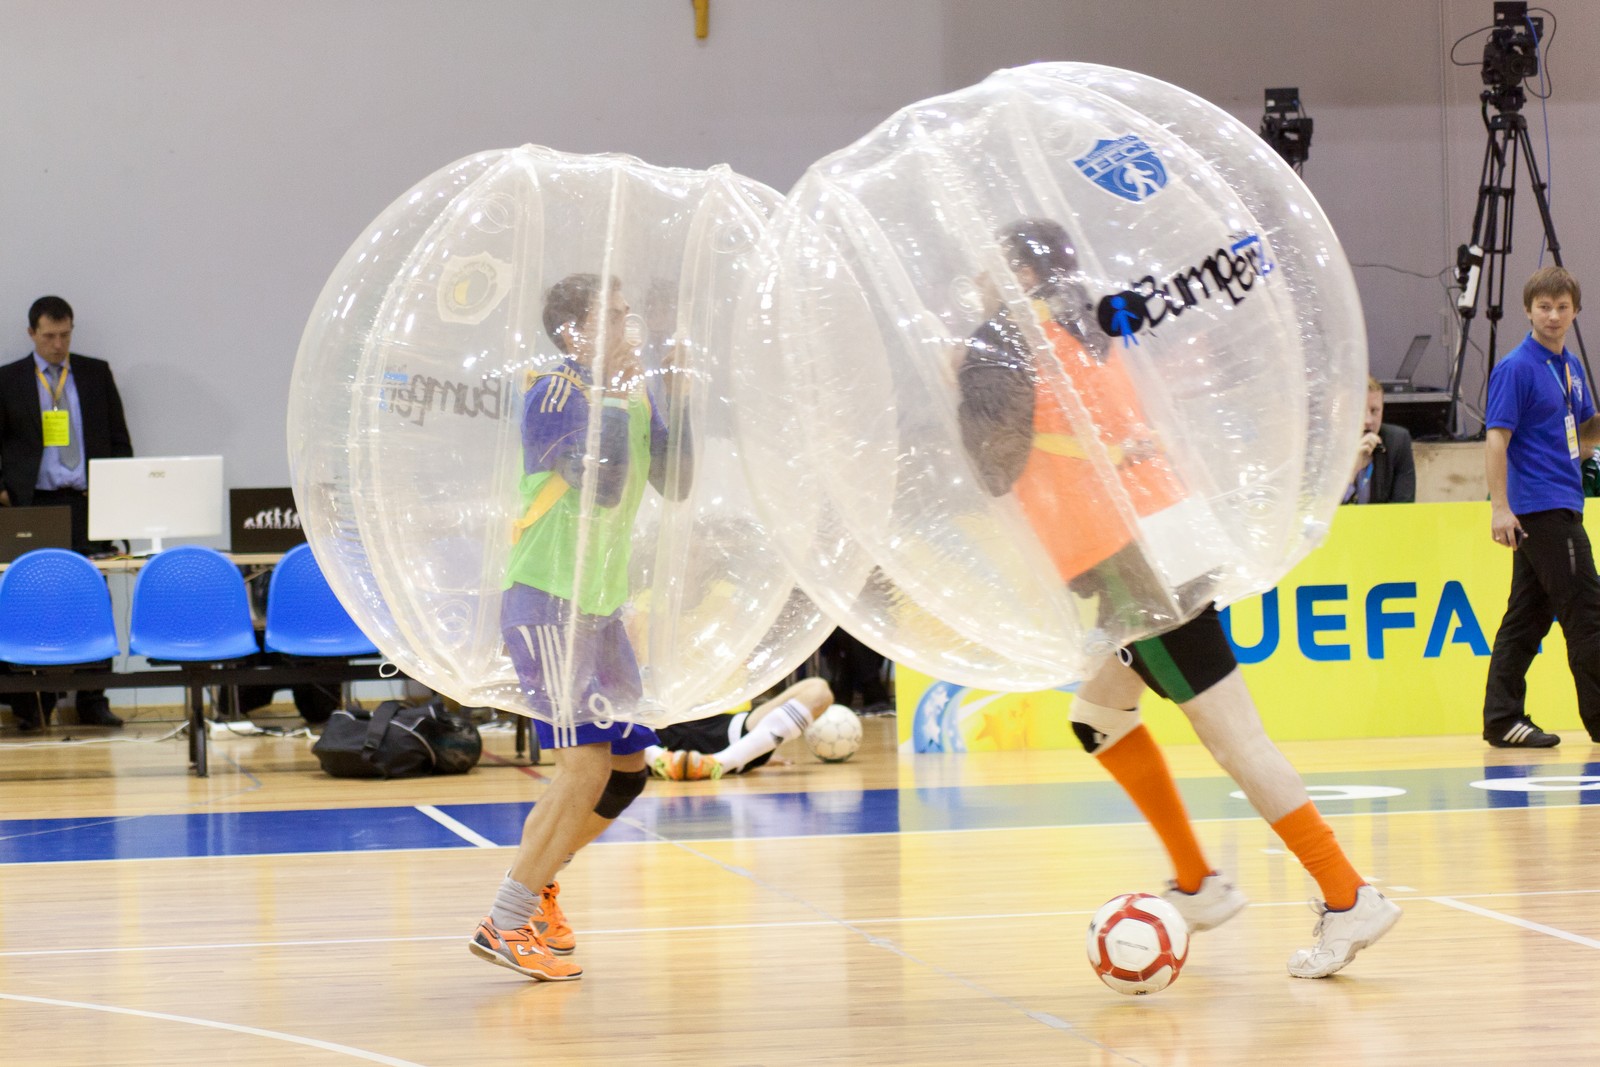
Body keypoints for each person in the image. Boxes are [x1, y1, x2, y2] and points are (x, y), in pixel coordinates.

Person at [958, 218, 1400, 978]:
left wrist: (954, 379)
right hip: (1162, 533)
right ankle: (1198, 883)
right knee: (1098, 717)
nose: (979, 281)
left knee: (1237, 741)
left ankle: (1347, 892)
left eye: (992, 267)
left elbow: (994, 465)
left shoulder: (1008, 341)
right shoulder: (1090, 323)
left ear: (1024, 275)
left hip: (1128, 557)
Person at [468, 272, 689, 982]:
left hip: (600, 608)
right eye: (614, 316)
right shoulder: (554, 393)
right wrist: (621, 393)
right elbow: (607, 481)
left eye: (628, 314)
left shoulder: (631, 390)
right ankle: (505, 919)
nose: (630, 327)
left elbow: (677, 481)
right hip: (548, 600)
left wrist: (675, 395)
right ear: (574, 331)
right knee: (584, 764)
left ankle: (537, 887)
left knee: (626, 771)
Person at [1480, 266, 1600, 749]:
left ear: (1575, 311)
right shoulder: (1516, 367)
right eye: (1544, 307)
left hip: (1562, 500)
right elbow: (1496, 439)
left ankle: (1502, 718)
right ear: (1528, 310)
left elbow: (1584, 435)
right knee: (1587, 612)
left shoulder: (1570, 367)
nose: (1553, 315)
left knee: (1526, 618)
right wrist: (1499, 508)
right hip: (1541, 507)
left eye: (1562, 307)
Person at [0, 296, 132, 730]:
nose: (58, 345)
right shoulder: (9, 380)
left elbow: (119, 439)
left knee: (94, 595)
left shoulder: (95, 374)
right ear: (31, 334)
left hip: (86, 502)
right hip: (32, 504)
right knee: (31, 596)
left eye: (65, 335)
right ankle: (31, 704)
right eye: (49, 336)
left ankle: (93, 698)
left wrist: (117, 493)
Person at [644, 677, 834, 781]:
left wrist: (756, 744)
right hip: (653, 730)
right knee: (628, 717)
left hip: (731, 730)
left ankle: (720, 762)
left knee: (818, 690)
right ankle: (658, 759)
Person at [1343, 377, 1415, 504]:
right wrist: (1352, 470)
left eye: (1374, 411)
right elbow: (1321, 510)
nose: (1368, 421)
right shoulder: (1323, 447)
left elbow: (1403, 506)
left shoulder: (1397, 442)